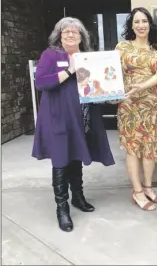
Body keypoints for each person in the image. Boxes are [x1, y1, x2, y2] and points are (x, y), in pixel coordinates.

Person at [32, 17, 115, 232]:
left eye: (75, 32)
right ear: (59, 35)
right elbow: (41, 83)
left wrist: (112, 93)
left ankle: (78, 196)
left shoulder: (88, 57)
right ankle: (62, 208)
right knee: (61, 157)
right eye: (65, 31)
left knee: (77, 152)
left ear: (82, 36)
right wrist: (69, 70)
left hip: (83, 115)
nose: (70, 34)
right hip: (57, 116)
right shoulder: (51, 55)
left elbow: (100, 84)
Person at [114, 7, 157, 211]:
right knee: (132, 148)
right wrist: (113, 96)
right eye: (136, 21)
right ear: (131, 25)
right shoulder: (122, 47)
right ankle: (137, 192)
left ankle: (148, 187)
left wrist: (141, 86)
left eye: (144, 21)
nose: (140, 25)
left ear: (149, 24)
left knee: (150, 149)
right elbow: (112, 74)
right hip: (128, 106)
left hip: (152, 106)